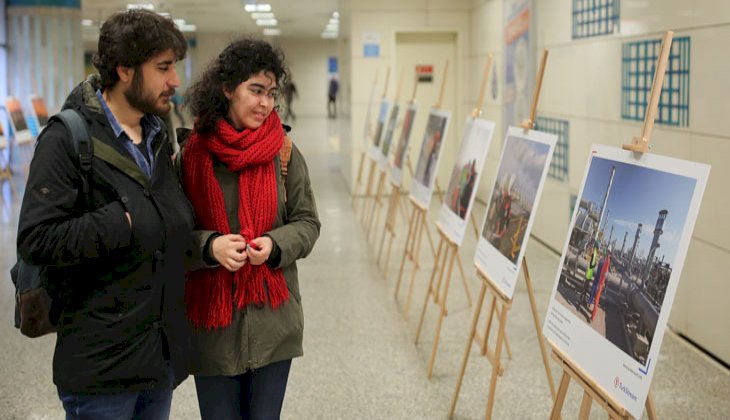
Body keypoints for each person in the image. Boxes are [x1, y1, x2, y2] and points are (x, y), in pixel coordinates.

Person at [16, 9, 194, 419]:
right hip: (100, 372)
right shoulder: (67, 139)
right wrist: (123, 220)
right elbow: (36, 238)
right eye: (163, 68)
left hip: (156, 360)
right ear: (125, 70)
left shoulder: (155, 134)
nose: (174, 81)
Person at [181, 37, 321, 419]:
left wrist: (276, 245)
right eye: (255, 91)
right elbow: (170, 234)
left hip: (273, 323)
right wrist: (209, 247)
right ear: (227, 89)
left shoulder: (284, 152)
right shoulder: (192, 156)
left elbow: (308, 222)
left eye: (271, 93)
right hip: (212, 327)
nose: (265, 103)